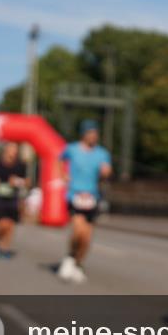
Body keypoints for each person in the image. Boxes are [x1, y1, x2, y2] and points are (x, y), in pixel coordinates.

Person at [58, 119, 112, 284]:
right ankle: (70, 256)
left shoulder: (102, 153)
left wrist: (105, 172)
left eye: (95, 133)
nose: (93, 136)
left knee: (87, 238)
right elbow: (60, 160)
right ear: (84, 134)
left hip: (92, 197)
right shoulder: (72, 149)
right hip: (75, 195)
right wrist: (63, 174)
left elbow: (106, 171)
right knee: (78, 231)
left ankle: (77, 264)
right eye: (90, 133)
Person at [0, 142, 28, 259]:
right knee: (2, 224)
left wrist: (17, 181)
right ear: (5, 150)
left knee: (10, 225)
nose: (14, 152)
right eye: (12, 149)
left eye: (16, 150)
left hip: (13, 197)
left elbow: (27, 182)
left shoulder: (20, 165)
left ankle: (5, 248)